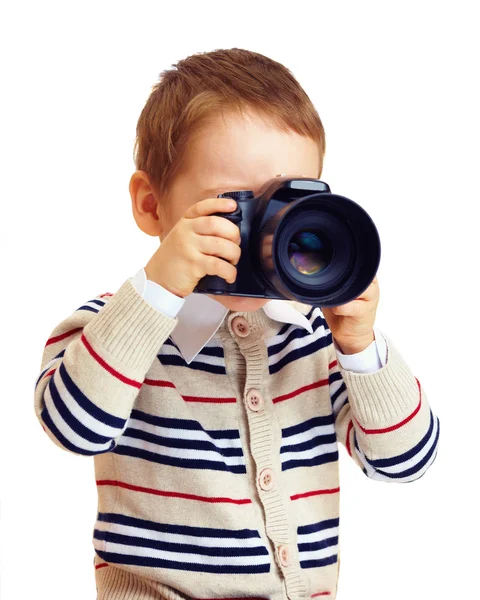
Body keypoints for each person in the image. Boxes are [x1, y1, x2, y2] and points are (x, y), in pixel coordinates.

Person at [34, 48, 440, 600]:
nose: (262, 234)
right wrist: (157, 291)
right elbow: (72, 426)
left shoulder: (312, 339)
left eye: (288, 206)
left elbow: (405, 462)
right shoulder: (111, 328)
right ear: (153, 205)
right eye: (234, 206)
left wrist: (361, 347)